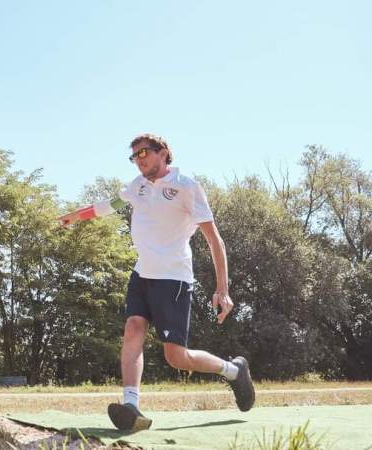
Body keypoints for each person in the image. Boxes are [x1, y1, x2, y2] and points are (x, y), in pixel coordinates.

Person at [58, 133, 255, 431]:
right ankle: (131, 406)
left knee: (176, 357)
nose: (139, 160)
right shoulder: (136, 186)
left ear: (162, 153)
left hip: (173, 279)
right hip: (142, 275)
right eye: (134, 156)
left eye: (143, 153)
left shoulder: (186, 186)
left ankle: (233, 371)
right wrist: (74, 216)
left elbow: (215, 240)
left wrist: (222, 289)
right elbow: (107, 205)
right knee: (133, 328)